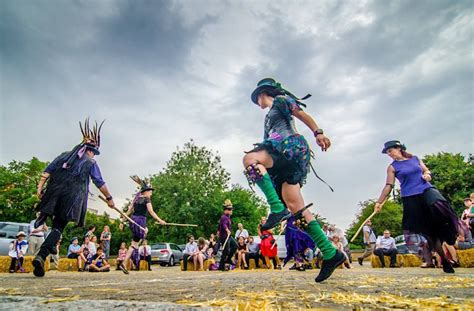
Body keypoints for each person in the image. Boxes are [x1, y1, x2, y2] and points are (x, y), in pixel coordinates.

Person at [243, 78, 344, 282]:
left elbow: (301, 114)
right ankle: (331, 253)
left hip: (290, 147)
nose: (258, 104)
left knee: (249, 159)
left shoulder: (281, 100)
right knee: (296, 208)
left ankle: (275, 207)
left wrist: (318, 132)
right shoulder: (269, 117)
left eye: (257, 99)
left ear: (263, 94)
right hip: (287, 158)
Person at [32, 119, 115, 277]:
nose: (93, 155)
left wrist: (39, 189)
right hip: (72, 197)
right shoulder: (90, 162)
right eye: (94, 152)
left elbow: (46, 172)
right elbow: (99, 182)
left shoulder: (64, 155)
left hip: (53, 193)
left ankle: (43, 256)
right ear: (91, 151)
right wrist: (109, 198)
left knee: (56, 226)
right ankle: (42, 254)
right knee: (59, 226)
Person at [374, 140, 459, 273]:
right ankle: (445, 261)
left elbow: (426, 170)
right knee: (430, 234)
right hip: (410, 198)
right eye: (387, 152)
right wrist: (379, 202)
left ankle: (448, 230)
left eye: (390, 151)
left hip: (426, 190)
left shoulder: (415, 158)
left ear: (398, 148)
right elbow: (388, 186)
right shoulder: (392, 167)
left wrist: (427, 175)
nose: (389, 154)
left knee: (438, 203)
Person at [120, 176, 166, 274]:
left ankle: (124, 263)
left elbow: (128, 212)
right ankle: (131, 257)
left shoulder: (136, 199)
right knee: (144, 232)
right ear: (146, 191)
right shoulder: (146, 199)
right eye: (150, 191)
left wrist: (122, 222)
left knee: (134, 244)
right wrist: (160, 220)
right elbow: (151, 211)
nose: (151, 193)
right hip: (140, 221)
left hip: (133, 221)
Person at [217, 199, 237, 271]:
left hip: (228, 236)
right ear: (226, 210)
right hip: (224, 236)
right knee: (226, 251)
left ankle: (228, 259)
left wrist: (218, 230)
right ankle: (221, 267)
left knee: (235, 245)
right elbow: (224, 225)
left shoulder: (227, 217)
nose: (231, 211)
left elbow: (220, 224)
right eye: (230, 210)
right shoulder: (224, 217)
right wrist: (227, 230)